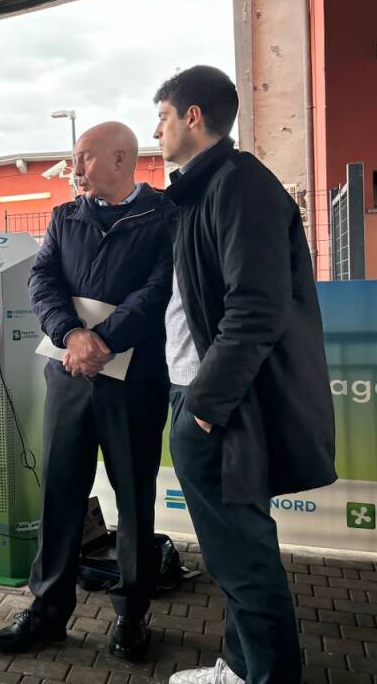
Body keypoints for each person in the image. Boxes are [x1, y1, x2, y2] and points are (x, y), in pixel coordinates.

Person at [153, 65, 337, 684]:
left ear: (192, 117)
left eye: (163, 116)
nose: (159, 130)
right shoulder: (206, 189)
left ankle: (266, 676)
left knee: (245, 557)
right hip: (200, 398)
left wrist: (205, 405)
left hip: (218, 407)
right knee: (233, 555)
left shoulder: (238, 185)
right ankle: (239, 666)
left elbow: (256, 307)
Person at [0, 122, 173, 662]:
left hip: (134, 383)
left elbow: (159, 290)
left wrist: (103, 341)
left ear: (120, 158)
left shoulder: (164, 217)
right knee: (60, 495)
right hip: (68, 375)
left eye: (83, 158)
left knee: (134, 500)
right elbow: (42, 280)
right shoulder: (64, 217)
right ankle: (47, 611)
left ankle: (131, 615)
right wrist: (71, 335)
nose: (75, 169)